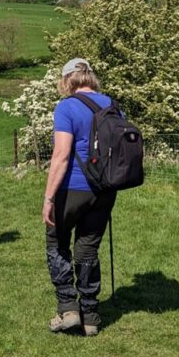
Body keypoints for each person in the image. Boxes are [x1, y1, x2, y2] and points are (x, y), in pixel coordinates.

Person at [42, 58, 117, 337]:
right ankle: (91, 317)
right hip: (105, 189)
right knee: (87, 249)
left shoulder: (67, 107)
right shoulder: (111, 104)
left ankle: (68, 308)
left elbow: (61, 155)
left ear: (67, 80)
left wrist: (49, 197)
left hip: (72, 188)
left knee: (57, 242)